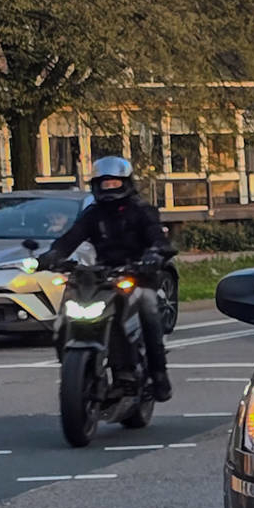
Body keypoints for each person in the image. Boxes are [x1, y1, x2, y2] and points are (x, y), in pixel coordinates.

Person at [43, 156, 175, 401]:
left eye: (114, 183)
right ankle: (73, 363)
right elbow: (71, 238)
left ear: (126, 183)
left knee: (147, 309)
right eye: (104, 184)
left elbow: (157, 237)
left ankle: (159, 375)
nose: (109, 189)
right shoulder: (93, 214)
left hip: (138, 274)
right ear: (96, 186)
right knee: (67, 309)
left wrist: (155, 253)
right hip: (102, 275)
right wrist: (53, 254)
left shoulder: (141, 211)